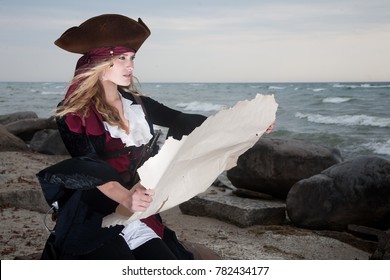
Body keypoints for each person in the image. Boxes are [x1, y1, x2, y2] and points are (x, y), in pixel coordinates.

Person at [38, 13, 275, 260]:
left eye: (132, 58)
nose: (130, 66)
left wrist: (248, 126)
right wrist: (126, 197)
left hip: (139, 211)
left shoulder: (137, 104)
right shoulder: (75, 113)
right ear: (99, 62)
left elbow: (183, 120)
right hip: (94, 215)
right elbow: (88, 167)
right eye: (121, 58)